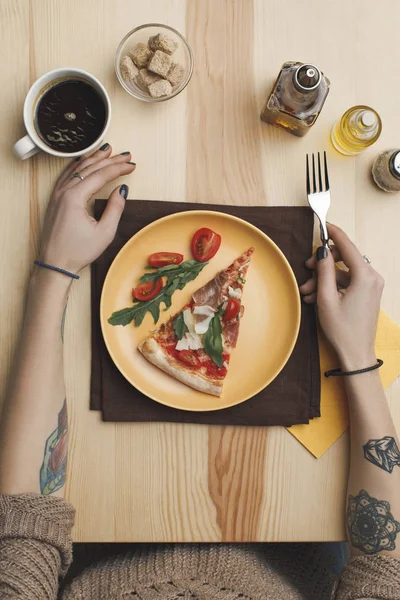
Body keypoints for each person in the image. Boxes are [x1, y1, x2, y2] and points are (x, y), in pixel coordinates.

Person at [0, 147, 399, 599]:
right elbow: (383, 565)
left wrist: (53, 272)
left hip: (95, 551)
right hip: (296, 562)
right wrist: (357, 355)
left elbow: (25, 518)